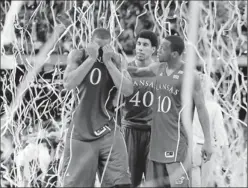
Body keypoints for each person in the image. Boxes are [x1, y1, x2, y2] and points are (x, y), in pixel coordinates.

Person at [131, 35, 213, 187]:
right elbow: (134, 71)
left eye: (162, 48)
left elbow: (201, 108)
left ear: (174, 54)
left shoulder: (190, 75)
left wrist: (208, 141)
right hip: (155, 144)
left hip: (176, 144)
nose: (158, 51)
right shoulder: (158, 68)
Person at [61, 28, 133, 187]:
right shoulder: (78, 55)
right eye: (97, 47)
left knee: (121, 183)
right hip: (81, 131)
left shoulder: (116, 59)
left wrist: (108, 63)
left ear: (110, 45)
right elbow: (68, 84)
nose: (101, 51)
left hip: (108, 130)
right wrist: (91, 59)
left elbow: (128, 90)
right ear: (91, 43)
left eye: (104, 47)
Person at [121, 30, 158, 187]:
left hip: (152, 132)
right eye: (138, 44)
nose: (140, 48)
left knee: (153, 181)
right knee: (129, 181)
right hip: (129, 130)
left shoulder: (160, 72)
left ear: (153, 49)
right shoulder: (125, 70)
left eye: (145, 45)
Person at [192, 73, 230, 187]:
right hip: (209, 149)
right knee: (206, 183)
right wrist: (225, 151)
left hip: (192, 148)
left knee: (194, 183)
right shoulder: (214, 106)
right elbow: (220, 132)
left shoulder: (188, 105)